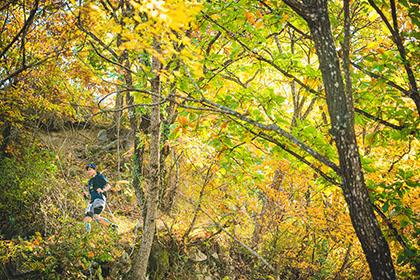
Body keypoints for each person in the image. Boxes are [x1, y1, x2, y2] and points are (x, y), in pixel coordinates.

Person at [83, 163, 117, 232]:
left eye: (90, 170)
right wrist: (86, 195)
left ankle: (112, 226)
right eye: (87, 170)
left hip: (99, 200)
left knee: (91, 217)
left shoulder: (99, 176)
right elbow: (91, 194)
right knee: (91, 218)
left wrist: (103, 190)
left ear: (94, 170)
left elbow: (108, 185)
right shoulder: (90, 182)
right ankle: (112, 226)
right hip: (92, 201)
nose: (88, 172)